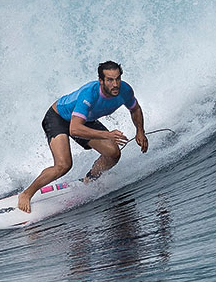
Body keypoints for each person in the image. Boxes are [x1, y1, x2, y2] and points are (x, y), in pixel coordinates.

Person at [17, 60, 147, 213]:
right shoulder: (89, 94)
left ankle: (90, 179)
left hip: (84, 121)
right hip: (58, 118)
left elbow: (135, 109)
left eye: (118, 78)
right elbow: (75, 129)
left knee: (113, 153)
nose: (115, 84)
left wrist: (140, 131)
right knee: (63, 165)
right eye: (110, 80)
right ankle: (26, 194)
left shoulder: (125, 90)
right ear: (101, 81)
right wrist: (107, 134)